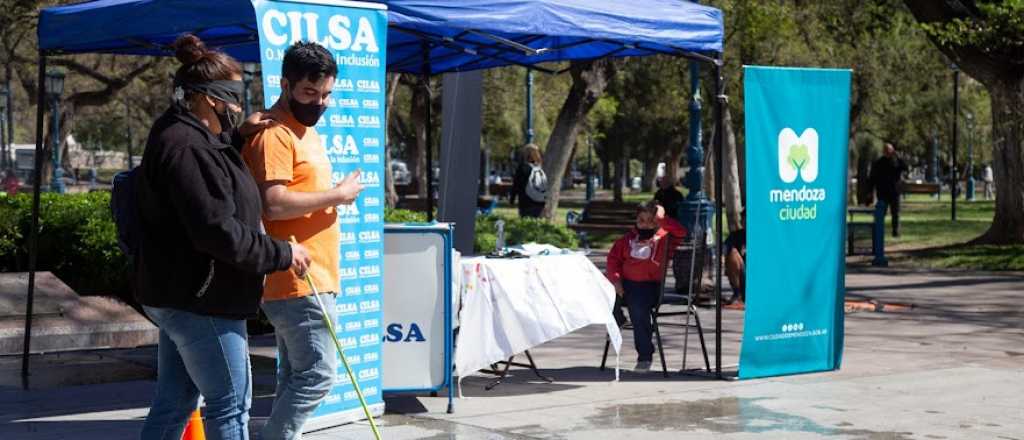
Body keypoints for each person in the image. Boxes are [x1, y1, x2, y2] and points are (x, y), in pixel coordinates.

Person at [134, 34, 311, 440]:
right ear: (210, 98)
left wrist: (237, 136)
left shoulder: (182, 134)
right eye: (232, 98)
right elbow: (216, 228)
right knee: (231, 407)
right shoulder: (186, 146)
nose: (237, 106)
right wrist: (282, 252)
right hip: (202, 299)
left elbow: (204, 178)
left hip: (181, 293)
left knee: (175, 402)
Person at [241, 41, 364, 440]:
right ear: (285, 84)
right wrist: (337, 195)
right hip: (295, 278)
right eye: (310, 93)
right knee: (317, 375)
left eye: (326, 94)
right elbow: (273, 205)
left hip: (314, 276)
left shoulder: (304, 129)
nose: (320, 102)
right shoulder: (275, 134)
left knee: (295, 377)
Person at [605, 200, 686, 372]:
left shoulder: (666, 238)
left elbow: (681, 232)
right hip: (625, 285)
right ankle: (618, 317)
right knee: (604, 292)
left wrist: (661, 218)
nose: (645, 224)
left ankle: (645, 355)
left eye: (651, 220)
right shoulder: (626, 240)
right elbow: (613, 262)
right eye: (641, 220)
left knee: (637, 307)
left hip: (650, 288)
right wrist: (616, 280)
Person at [868, 143, 908, 238]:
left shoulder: (896, 162)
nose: (888, 152)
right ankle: (879, 231)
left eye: (890, 150)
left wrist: (898, 157)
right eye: (886, 150)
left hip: (895, 192)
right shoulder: (878, 163)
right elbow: (872, 178)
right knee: (881, 213)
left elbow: (905, 167)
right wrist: (870, 191)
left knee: (896, 213)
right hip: (882, 192)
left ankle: (895, 232)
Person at [513, 143, 546, 218]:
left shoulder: (522, 167)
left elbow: (516, 184)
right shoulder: (540, 167)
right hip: (538, 202)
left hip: (525, 202)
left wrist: (512, 198)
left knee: (526, 223)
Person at [723, 210, 747, 309]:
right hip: (743, 278)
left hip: (760, 279)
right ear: (742, 222)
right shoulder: (735, 236)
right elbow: (723, 251)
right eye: (745, 220)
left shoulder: (764, 236)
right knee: (732, 253)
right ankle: (738, 295)